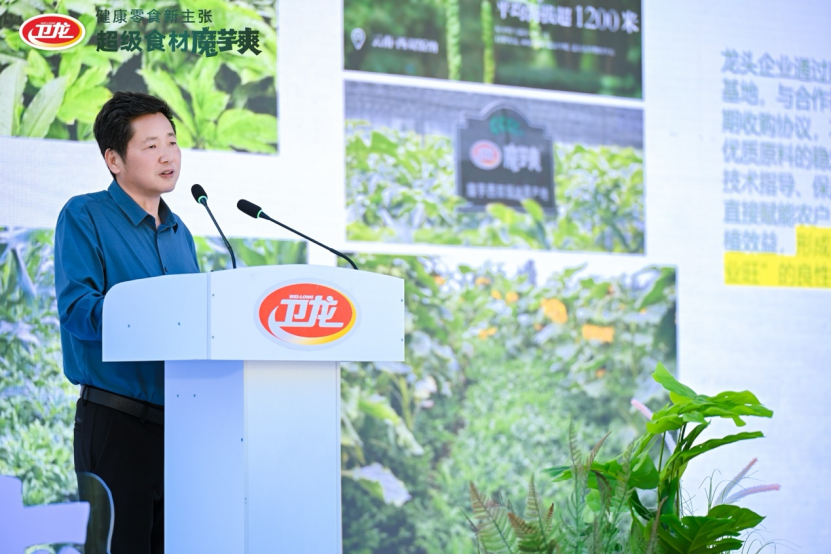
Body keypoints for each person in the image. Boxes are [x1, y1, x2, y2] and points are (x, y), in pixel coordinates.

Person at [55, 91, 200, 553]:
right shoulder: (85, 215)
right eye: (151, 145)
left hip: (181, 427)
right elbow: (79, 311)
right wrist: (153, 313)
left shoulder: (180, 233)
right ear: (114, 159)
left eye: (172, 142)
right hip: (116, 423)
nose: (168, 155)